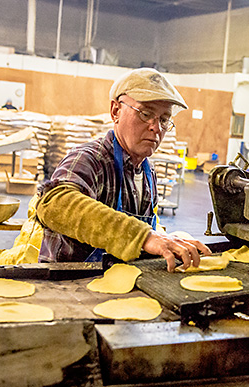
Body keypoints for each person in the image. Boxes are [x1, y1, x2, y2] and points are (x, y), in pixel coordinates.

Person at [35, 68, 210, 272]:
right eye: (146, 114)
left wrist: (164, 240)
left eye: (164, 119)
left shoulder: (147, 173)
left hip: (120, 279)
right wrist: (142, 236)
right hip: (71, 285)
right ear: (116, 111)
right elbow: (53, 203)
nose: (156, 128)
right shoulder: (90, 159)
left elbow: (147, 235)